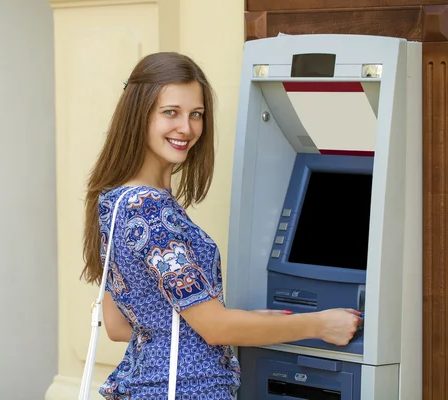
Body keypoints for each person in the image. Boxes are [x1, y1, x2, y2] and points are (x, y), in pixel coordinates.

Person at [81, 52, 362, 399]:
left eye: (196, 114)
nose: (187, 128)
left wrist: (255, 323)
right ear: (139, 115)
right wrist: (320, 325)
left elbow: (119, 325)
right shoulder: (150, 209)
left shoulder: (113, 200)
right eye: (171, 112)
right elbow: (214, 328)